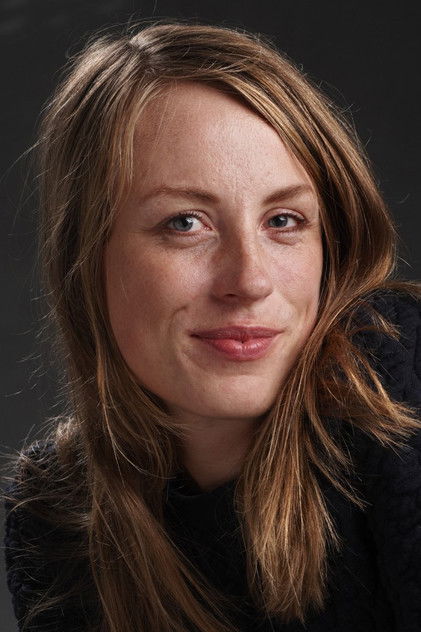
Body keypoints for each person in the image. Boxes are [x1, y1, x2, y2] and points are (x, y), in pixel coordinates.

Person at [3, 19, 421, 632]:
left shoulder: (400, 372)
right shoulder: (54, 515)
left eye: (283, 220)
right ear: (86, 258)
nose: (249, 280)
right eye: (185, 223)